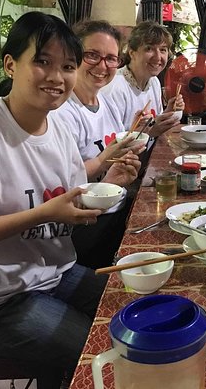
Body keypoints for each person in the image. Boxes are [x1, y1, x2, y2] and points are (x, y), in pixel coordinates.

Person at [0, 11, 140, 386]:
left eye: (67, 66)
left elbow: (70, 200)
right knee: (102, 354)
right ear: (10, 64)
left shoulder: (57, 129)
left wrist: (112, 180)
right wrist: (40, 214)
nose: (56, 77)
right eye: (42, 62)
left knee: (137, 312)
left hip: (56, 273)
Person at [53, 20, 144, 269]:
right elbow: (61, 189)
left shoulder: (105, 103)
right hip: (86, 228)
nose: (103, 66)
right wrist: (107, 174)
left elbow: (113, 162)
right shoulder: (60, 113)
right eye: (92, 55)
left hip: (117, 211)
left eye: (111, 58)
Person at [100, 20, 184, 138]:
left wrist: (169, 112)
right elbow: (111, 143)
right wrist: (152, 131)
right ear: (132, 53)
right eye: (149, 49)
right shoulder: (115, 88)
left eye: (163, 50)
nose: (158, 57)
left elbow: (153, 122)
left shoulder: (154, 82)